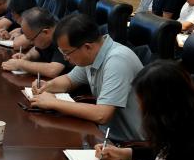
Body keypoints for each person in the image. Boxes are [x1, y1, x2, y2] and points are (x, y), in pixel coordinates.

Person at [27, 13, 144, 141]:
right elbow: (69, 80)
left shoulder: (117, 61)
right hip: (103, 134)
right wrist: (48, 86)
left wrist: (53, 103)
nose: (66, 58)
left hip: (128, 144)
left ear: (87, 47)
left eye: (67, 53)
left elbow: (102, 115)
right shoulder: (93, 54)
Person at [0, 8, 71, 79]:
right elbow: (37, 49)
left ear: (46, 32)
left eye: (32, 39)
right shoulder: (45, 37)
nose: (31, 43)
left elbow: (53, 70)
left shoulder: (63, 36)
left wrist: (21, 64)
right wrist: (28, 56)